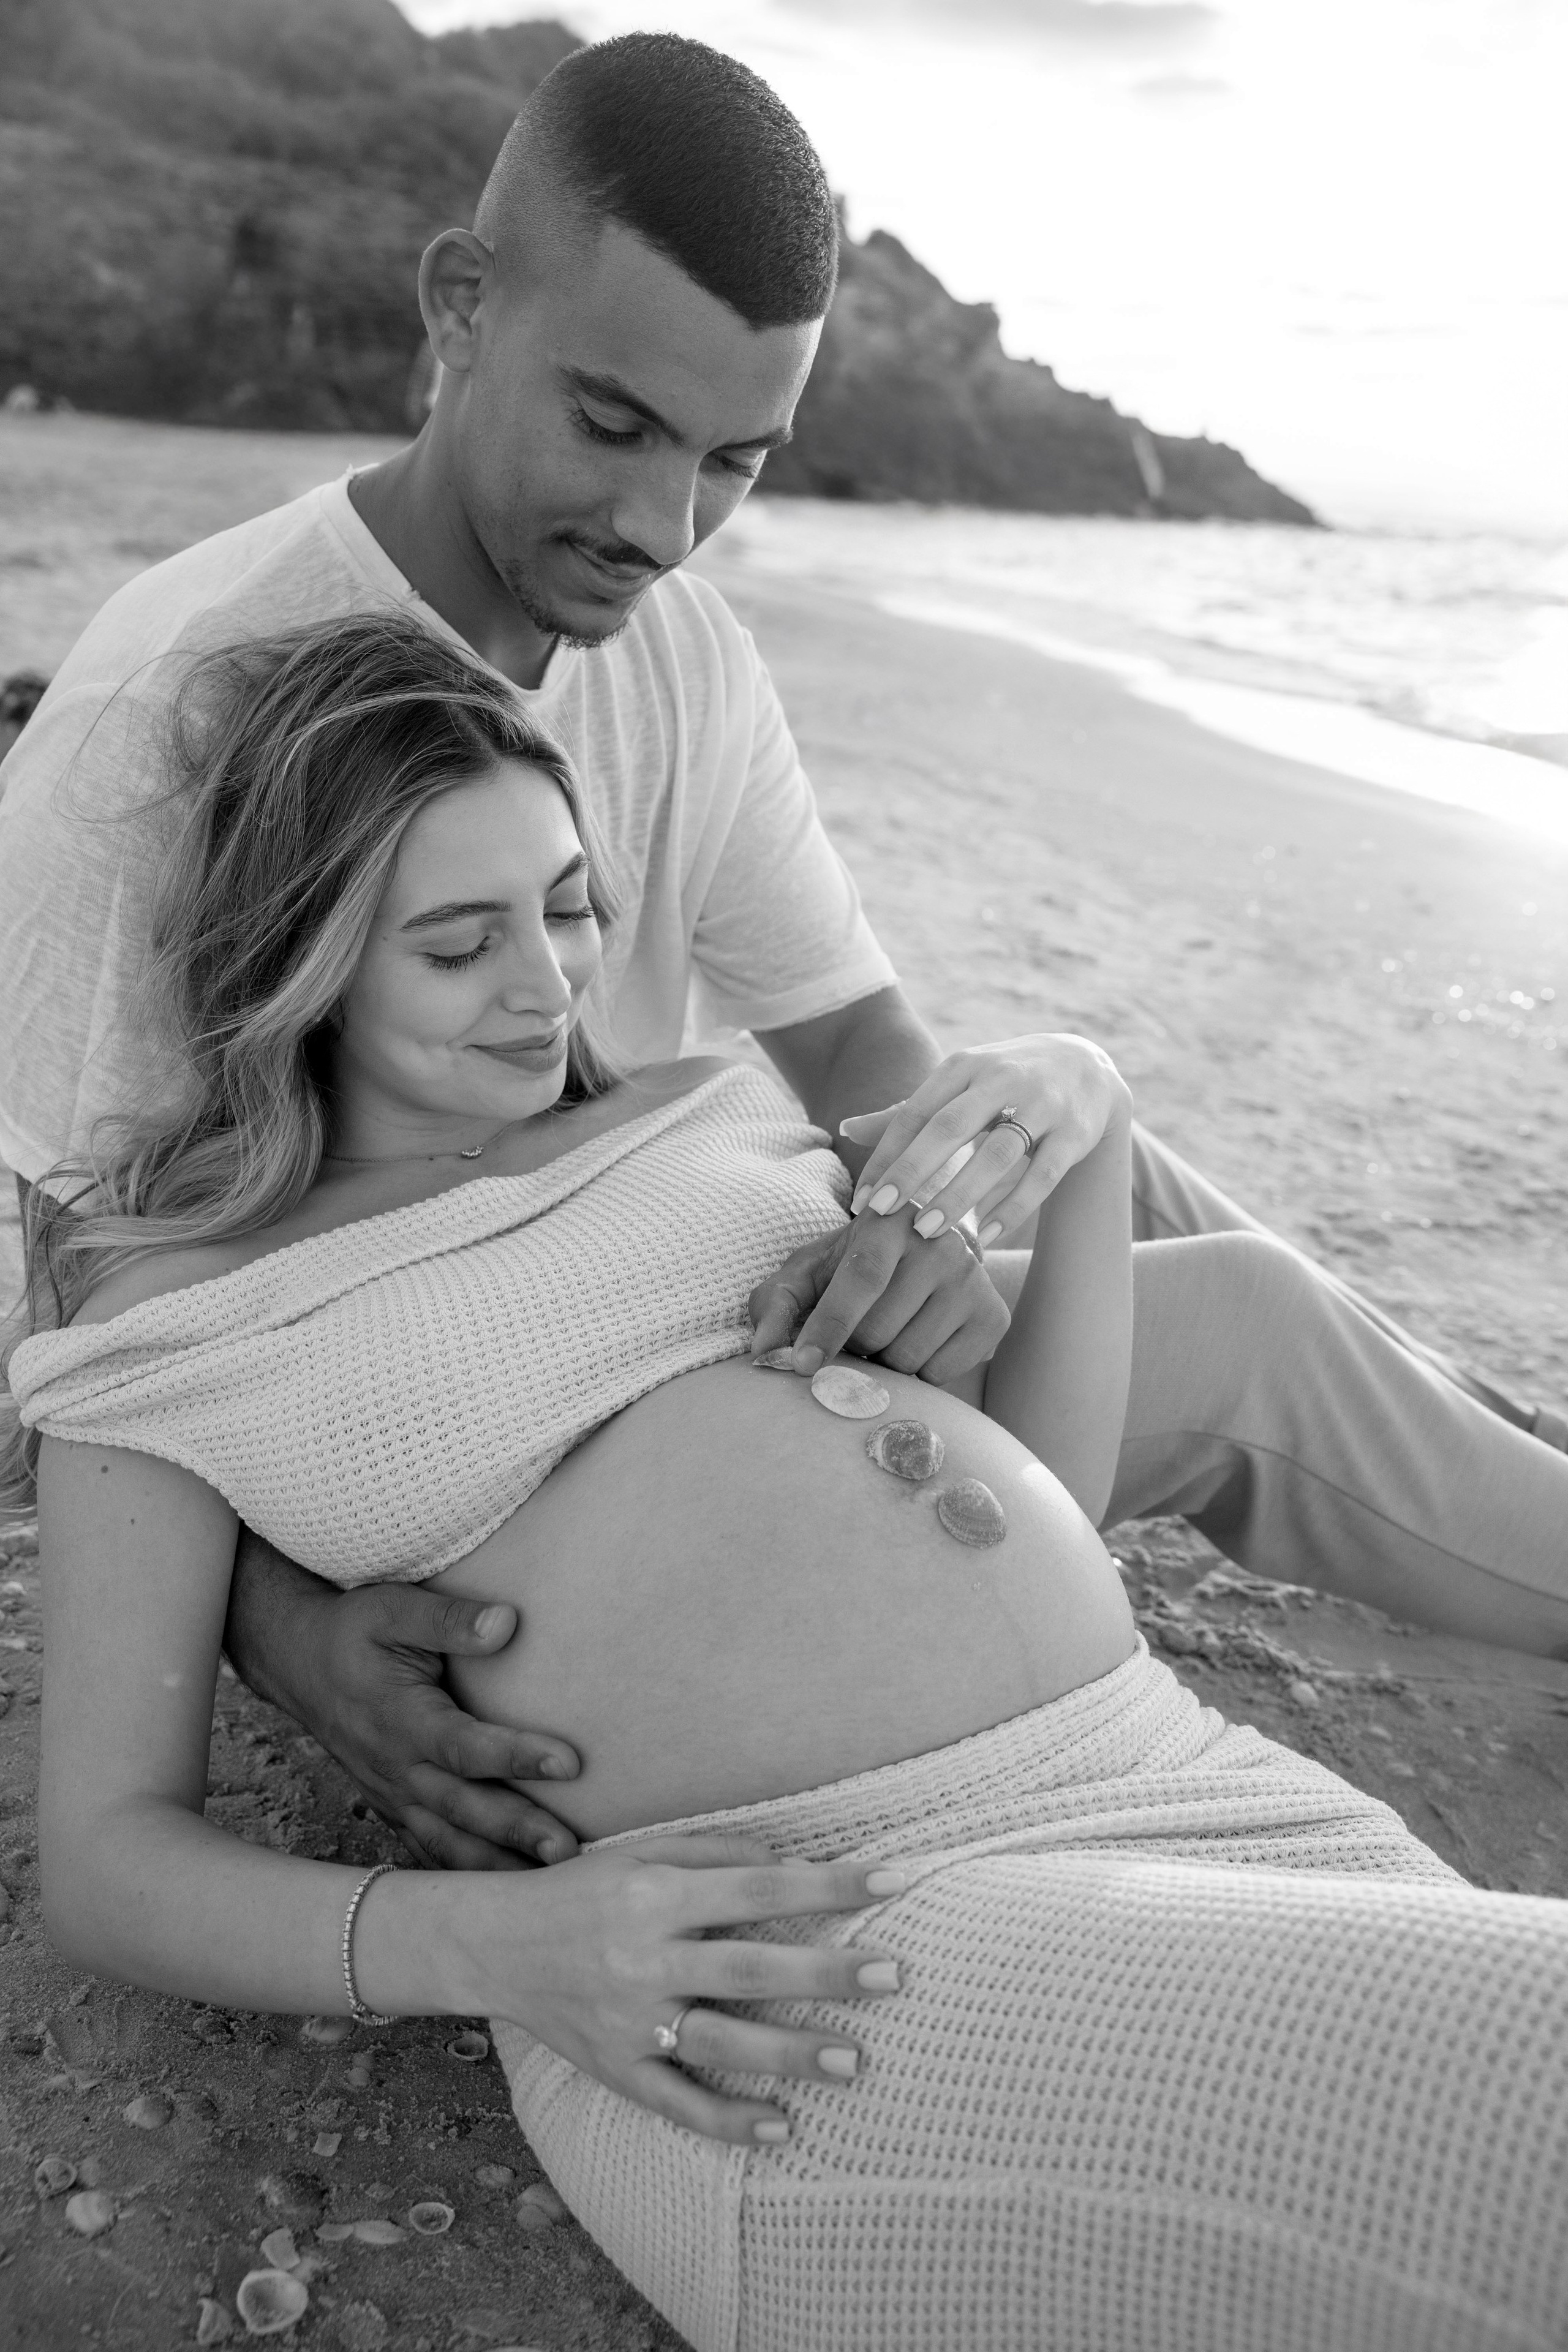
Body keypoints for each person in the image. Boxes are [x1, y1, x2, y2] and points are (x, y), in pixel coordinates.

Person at [0, 36, 1561, 1881]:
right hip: (470, 1484)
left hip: (730, 1345)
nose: (665, 527)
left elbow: (860, 1047)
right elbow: (73, 1282)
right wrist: (278, 1632)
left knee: (1199, 1263)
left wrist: (927, 1228)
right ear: (460, 308)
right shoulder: (173, 703)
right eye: (614, 425)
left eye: (733, 460)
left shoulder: (683, 658)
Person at [8, 614, 1568, 2352]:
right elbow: (106, 1855)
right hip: (816, 1958)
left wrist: (1094, 1114)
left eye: (571, 905)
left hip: (1159, 1765)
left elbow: (1021, 1483)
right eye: (457, 945)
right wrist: (496, 1950)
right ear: (297, 958)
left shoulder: (696, 1109)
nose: (547, 984)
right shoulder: (176, 1306)